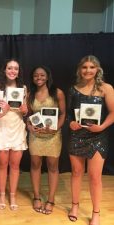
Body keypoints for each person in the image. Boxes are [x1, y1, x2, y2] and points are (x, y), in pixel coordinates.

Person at [67, 55, 114, 225]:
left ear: (97, 69)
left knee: (95, 177)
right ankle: (74, 206)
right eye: (84, 67)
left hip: (98, 136)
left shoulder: (106, 88)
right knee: (76, 173)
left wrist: (101, 127)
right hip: (77, 136)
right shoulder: (73, 89)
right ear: (80, 69)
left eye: (92, 67)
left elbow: (113, 113)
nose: (88, 70)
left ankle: (96, 213)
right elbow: (70, 114)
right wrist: (71, 122)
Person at [27, 65, 66, 214]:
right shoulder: (30, 94)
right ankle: (36, 197)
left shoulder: (57, 93)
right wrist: (29, 126)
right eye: (36, 75)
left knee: (52, 167)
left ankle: (51, 199)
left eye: (42, 75)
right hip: (36, 136)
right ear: (32, 78)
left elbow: (62, 114)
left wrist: (57, 127)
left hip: (53, 136)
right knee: (35, 165)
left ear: (47, 76)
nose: (39, 78)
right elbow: (28, 116)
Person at [0, 59, 28, 211]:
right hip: (2, 128)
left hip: (17, 129)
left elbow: (25, 112)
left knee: (15, 166)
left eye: (16, 68)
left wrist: (25, 110)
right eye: (10, 68)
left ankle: (12, 195)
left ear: (19, 71)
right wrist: (6, 110)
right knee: (2, 165)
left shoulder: (24, 88)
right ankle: (1, 194)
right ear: (5, 70)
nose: (13, 71)